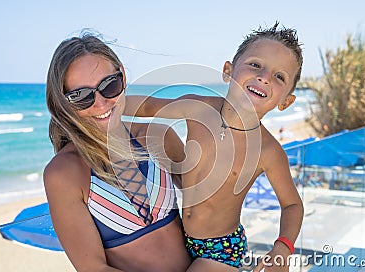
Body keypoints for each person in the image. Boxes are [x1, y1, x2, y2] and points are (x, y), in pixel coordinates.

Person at [125, 22, 304, 271]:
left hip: (220, 249)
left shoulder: (268, 151)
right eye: (255, 65)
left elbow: (293, 205)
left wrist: (282, 247)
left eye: (279, 76)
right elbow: (145, 107)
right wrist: (101, 106)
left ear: (285, 101)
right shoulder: (198, 107)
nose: (264, 77)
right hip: (179, 229)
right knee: (149, 131)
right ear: (227, 71)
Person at [43, 32, 192, 271]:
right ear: (64, 102)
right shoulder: (65, 173)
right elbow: (94, 268)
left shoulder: (159, 137)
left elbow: (209, 205)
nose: (100, 103)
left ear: (122, 74)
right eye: (81, 96)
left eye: (109, 85)